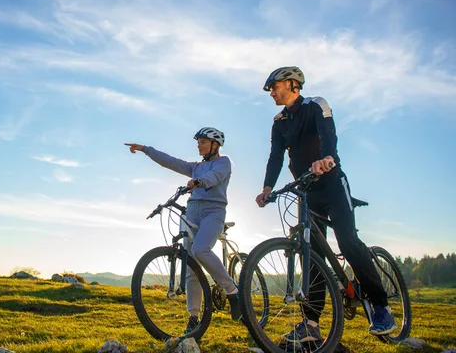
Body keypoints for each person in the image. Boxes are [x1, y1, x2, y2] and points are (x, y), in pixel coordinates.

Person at [255, 66, 397, 344]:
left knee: (347, 241)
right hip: (306, 191)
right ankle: (310, 324)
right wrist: (267, 188)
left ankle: (382, 308)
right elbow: (275, 157)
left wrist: (327, 158)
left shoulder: (316, 105)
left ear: (293, 84)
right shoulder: (279, 121)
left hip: (331, 184)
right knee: (313, 256)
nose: (271, 92)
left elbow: (328, 134)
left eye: (275, 86)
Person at [125, 127, 241, 334]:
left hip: (213, 212)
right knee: (190, 267)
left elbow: (215, 176)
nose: (199, 145)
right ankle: (194, 317)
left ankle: (232, 290)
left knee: (200, 250)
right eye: (198, 142)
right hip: (193, 211)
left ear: (215, 144)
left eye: (203, 142)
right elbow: (171, 161)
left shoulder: (223, 162)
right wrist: (146, 149)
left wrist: (199, 182)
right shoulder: (195, 166)